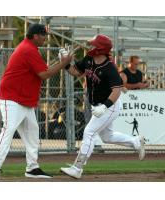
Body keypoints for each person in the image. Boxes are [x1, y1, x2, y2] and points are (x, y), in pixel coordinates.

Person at [0, 23, 73, 179]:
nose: (45, 38)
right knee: (8, 130)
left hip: (24, 100)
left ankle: (32, 168)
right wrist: (64, 63)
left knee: (33, 133)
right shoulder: (28, 50)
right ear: (35, 36)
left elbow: (43, 70)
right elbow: (45, 74)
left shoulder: (30, 48)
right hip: (12, 98)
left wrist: (61, 62)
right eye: (43, 35)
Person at [60, 34, 145, 179]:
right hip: (98, 105)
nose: (90, 46)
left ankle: (77, 167)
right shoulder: (88, 59)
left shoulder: (109, 67)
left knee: (89, 132)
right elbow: (75, 72)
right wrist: (66, 62)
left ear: (100, 49)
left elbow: (117, 91)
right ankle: (136, 142)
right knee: (107, 137)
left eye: (93, 45)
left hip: (109, 106)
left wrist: (104, 107)